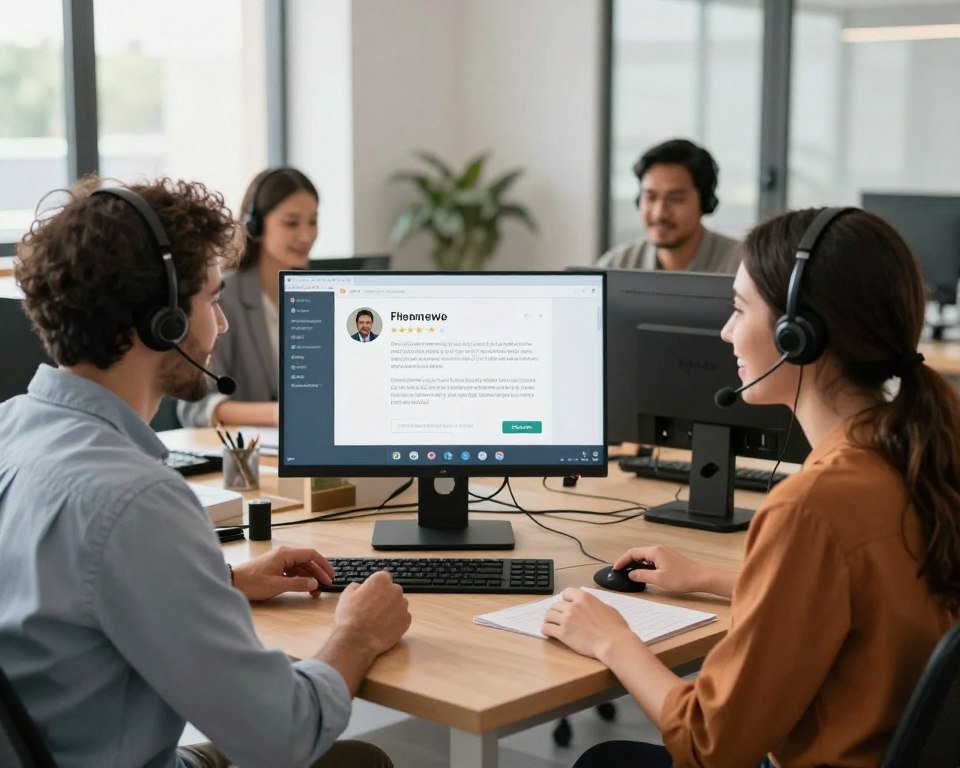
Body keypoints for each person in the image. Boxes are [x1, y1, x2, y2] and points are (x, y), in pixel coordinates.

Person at [0, 176, 411, 768]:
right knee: (362, 761)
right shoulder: (135, 498)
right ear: (162, 321)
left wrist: (224, 582)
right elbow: (283, 735)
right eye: (212, 300)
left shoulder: (12, 428)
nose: (220, 323)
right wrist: (358, 635)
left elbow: (69, 592)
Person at [547, 207, 960, 767]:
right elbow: (868, 604)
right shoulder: (919, 454)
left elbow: (710, 744)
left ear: (799, 335)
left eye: (739, 309)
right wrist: (714, 579)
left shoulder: (812, 506)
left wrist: (611, 640)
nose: (724, 332)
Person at [178, 166, 319, 427]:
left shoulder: (318, 295)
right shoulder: (222, 298)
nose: (306, 235)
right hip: (248, 452)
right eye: (291, 222)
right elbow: (194, 406)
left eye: (312, 221)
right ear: (255, 225)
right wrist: (277, 414)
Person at [597, 139, 740, 274]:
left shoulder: (743, 266)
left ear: (705, 202)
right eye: (651, 197)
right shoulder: (616, 266)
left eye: (675, 199)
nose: (659, 213)